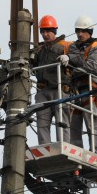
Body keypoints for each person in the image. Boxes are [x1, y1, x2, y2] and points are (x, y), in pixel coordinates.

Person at [67, 15, 97, 155]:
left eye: (83, 31)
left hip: (89, 88)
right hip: (75, 90)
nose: (79, 34)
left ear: (90, 32)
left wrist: (75, 68)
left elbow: (93, 67)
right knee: (74, 124)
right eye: (78, 31)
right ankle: (76, 152)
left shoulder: (96, 46)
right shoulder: (74, 47)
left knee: (92, 123)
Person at [33, 15, 71, 145]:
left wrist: (69, 57)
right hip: (43, 91)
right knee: (42, 122)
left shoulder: (65, 45)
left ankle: (63, 145)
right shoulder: (40, 50)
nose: (45, 34)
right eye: (42, 31)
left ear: (54, 31)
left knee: (62, 121)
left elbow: (80, 58)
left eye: (47, 31)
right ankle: (44, 146)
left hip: (59, 89)